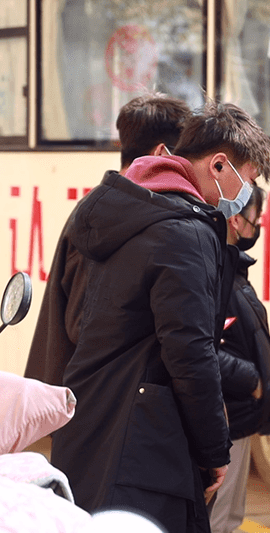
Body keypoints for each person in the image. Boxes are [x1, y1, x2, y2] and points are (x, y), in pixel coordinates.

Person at [26, 99, 270, 533]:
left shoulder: (110, 208)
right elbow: (191, 354)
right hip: (146, 448)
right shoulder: (188, 231)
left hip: (89, 423)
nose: (244, 195)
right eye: (248, 179)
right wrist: (215, 452)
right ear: (219, 164)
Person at [26, 93, 191, 388]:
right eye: (184, 158)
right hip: (87, 405)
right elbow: (83, 323)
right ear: (163, 154)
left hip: (79, 399)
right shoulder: (115, 214)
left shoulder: (104, 206)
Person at [206, 183, 270, 533]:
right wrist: (251, 380)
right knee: (218, 527)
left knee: (225, 521)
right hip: (226, 414)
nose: (257, 226)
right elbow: (201, 347)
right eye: (255, 217)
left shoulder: (229, 264)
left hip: (237, 414)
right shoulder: (216, 268)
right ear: (235, 218)